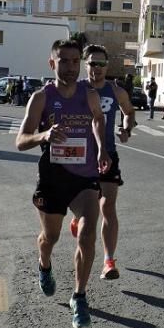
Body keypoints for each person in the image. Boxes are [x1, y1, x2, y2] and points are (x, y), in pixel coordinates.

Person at [15, 39, 109, 328]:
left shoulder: (89, 94)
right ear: (51, 63)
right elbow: (20, 141)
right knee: (50, 238)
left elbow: (97, 120)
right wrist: (43, 136)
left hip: (84, 177)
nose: (70, 67)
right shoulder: (41, 98)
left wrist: (102, 148)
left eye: (74, 61)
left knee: (88, 233)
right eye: (63, 61)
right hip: (53, 177)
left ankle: (79, 297)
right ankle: (44, 264)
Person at [66, 45, 137, 283]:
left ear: (107, 66)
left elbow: (129, 111)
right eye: (92, 63)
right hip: (80, 156)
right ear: (85, 65)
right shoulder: (76, 90)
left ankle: (108, 261)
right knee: (87, 208)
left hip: (107, 154)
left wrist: (126, 127)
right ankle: (77, 217)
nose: (96, 68)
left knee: (107, 207)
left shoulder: (115, 91)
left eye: (100, 63)